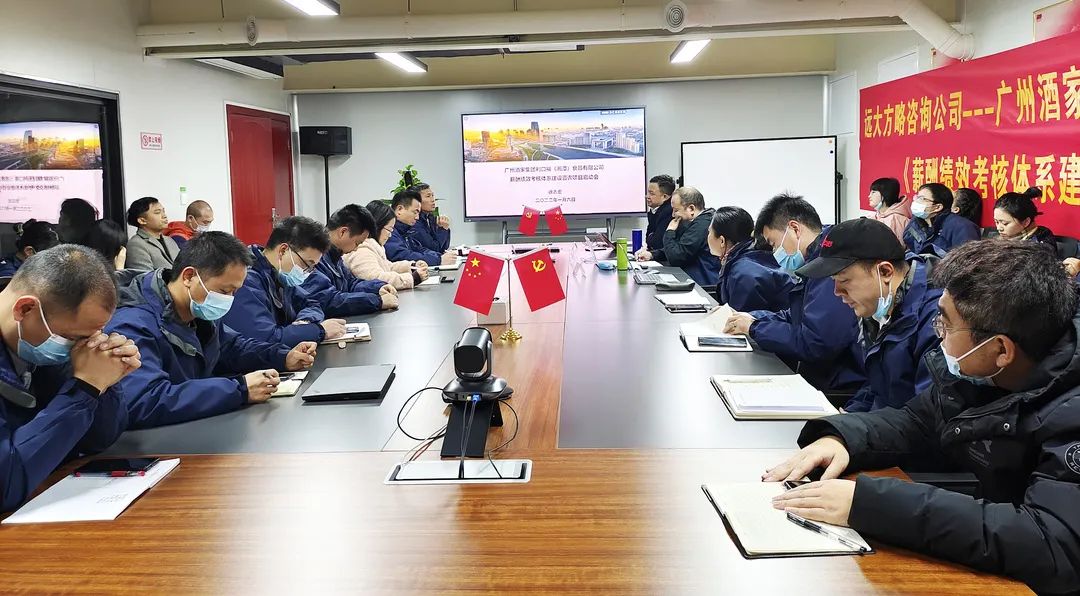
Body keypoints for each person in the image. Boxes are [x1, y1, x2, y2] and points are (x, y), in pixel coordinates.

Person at [766, 239, 1080, 594]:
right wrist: (841, 439)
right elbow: (916, 421)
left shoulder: (1071, 411)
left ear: (1000, 349)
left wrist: (873, 504)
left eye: (945, 324)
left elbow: (1051, 541)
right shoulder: (981, 375)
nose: (937, 333)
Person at [106, 232, 318, 429]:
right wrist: (239, 389)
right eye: (224, 291)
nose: (228, 300)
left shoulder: (197, 310)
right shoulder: (132, 325)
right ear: (189, 276)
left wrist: (283, 357)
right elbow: (144, 400)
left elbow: (232, 347)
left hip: (193, 427)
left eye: (234, 292)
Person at [0, 244, 140, 511]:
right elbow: (6, 485)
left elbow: (99, 439)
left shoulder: (44, 336)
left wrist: (104, 383)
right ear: (25, 309)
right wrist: (85, 388)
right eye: (74, 338)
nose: (82, 346)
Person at [797, 218, 942, 412]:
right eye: (833, 281)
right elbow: (878, 387)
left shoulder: (937, 319)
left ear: (885, 271)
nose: (837, 292)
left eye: (844, 280)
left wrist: (856, 426)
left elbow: (926, 415)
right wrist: (850, 415)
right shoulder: (879, 308)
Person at [724, 194, 863, 394]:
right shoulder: (816, 259)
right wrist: (754, 318)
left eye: (774, 243)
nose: (775, 252)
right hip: (823, 377)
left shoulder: (829, 266)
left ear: (795, 229)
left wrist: (755, 328)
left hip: (836, 386)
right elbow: (798, 315)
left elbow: (815, 343)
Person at [223, 216, 346, 347]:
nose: (306, 272)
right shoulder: (245, 282)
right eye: (306, 264)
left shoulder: (279, 275)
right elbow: (265, 338)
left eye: (312, 268)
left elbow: (311, 303)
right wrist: (319, 331)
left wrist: (305, 321)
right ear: (283, 250)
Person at [303, 204, 398, 316]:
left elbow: (350, 283)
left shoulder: (335, 256)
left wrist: (377, 287)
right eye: (357, 243)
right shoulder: (314, 258)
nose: (356, 248)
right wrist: (378, 301)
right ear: (343, 232)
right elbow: (328, 301)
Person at [707, 206, 792, 312]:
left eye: (709, 232)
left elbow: (743, 319)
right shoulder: (750, 256)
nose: (707, 236)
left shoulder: (743, 273)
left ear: (722, 241)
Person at [636, 186, 720, 287]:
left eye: (676, 210)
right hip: (691, 279)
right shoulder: (693, 222)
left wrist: (670, 231)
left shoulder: (702, 225)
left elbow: (677, 257)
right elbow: (677, 247)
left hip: (702, 285)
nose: (673, 215)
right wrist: (652, 254)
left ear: (691, 209)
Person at [345, 201, 430, 290]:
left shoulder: (373, 246)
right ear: (377, 226)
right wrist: (413, 278)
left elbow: (387, 266)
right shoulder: (362, 251)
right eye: (389, 230)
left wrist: (412, 266)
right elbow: (376, 279)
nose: (389, 235)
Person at [903, 183, 980, 257]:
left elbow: (967, 260)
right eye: (917, 197)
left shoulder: (963, 227)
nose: (916, 201)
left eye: (922, 198)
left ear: (937, 207)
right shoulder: (917, 220)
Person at [384, 190, 455, 267]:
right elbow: (403, 256)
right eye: (415, 212)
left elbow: (420, 249)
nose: (417, 217)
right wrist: (439, 260)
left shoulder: (405, 231)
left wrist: (440, 256)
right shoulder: (388, 231)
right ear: (399, 210)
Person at [125, 196, 180, 270]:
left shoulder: (170, 240)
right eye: (157, 212)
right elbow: (144, 275)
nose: (164, 216)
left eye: (163, 211)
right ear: (142, 220)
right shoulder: (136, 244)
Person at [635, 174, 675, 259]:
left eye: (651, 193)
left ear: (665, 197)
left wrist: (650, 240)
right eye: (648, 192)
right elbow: (649, 239)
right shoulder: (654, 210)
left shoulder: (669, 211)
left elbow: (656, 242)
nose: (647, 196)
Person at [406, 184, 451, 253]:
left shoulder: (430, 217)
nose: (433, 200)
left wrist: (444, 228)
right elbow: (433, 249)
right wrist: (443, 229)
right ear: (416, 201)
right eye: (428, 196)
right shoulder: (414, 222)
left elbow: (444, 248)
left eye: (432, 195)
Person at [867, 177, 910, 243]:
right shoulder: (874, 216)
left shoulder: (897, 220)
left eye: (873, 192)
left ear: (885, 194)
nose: (869, 196)